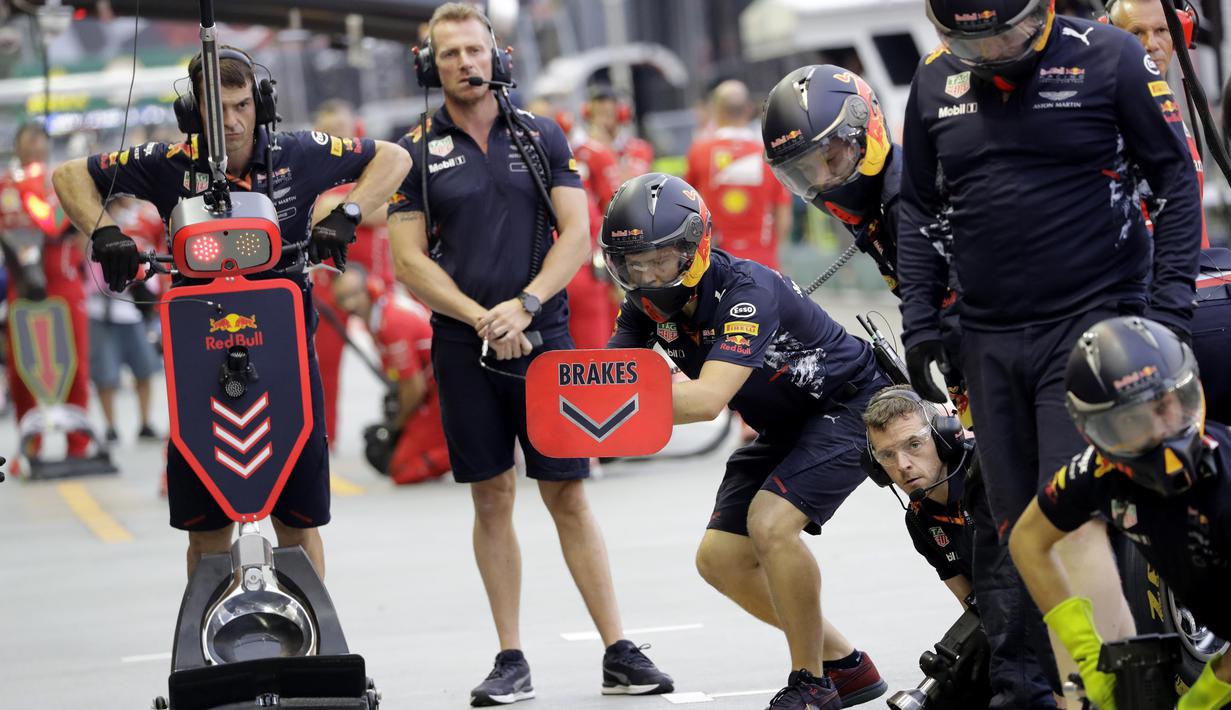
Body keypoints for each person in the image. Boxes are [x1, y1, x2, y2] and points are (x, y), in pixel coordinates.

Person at [899, 1, 1202, 705]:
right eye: (968, 39)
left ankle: (1126, 685)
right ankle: (1081, 688)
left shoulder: (1108, 57)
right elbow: (915, 205)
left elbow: (1175, 178)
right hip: (989, 334)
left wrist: (1168, 310)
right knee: (1020, 531)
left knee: (1069, 517)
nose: (991, 50)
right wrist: (920, 320)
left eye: (1003, 32)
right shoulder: (934, 81)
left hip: (1092, 321)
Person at [385, 4, 672, 704]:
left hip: (546, 340)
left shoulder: (541, 134)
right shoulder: (411, 150)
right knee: (492, 497)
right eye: (448, 53)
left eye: (473, 50)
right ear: (430, 64)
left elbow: (577, 234)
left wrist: (527, 305)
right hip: (464, 345)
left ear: (498, 56)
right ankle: (510, 658)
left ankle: (618, 650)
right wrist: (484, 317)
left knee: (568, 494)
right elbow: (407, 261)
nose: (463, 63)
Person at [52, 45, 410, 578]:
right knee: (207, 532)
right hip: (200, 367)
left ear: (259, 103)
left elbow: (395, 157)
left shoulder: (298, 152)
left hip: (287, 359)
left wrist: (348, 213)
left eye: (242, 105)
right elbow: (69, 176)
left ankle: (312, 640)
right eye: (217, 111)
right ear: (193, 113)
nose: (232, 122)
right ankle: (214, 643)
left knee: (298, 523)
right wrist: (105, 232)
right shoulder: (166, 164)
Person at [604, 172, 890, 709]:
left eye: (660, 259)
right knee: (720, 559)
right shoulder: (642, 305)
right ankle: (847, 666)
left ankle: (811, 683)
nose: (646, 275)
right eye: (632, 264)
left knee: (771, 523)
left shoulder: (746, 292)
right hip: (787, 423)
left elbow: (707, 400)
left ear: (694, 248)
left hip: (852, 405)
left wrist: (608, 402)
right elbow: (610, 377)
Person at [1010, 316, 1231, 710]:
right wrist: (1087, 653)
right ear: (1095, 432)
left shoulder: (1226, 488)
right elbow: (1028, 541)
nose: (1162, 432)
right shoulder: (1096, 473)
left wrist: (1206, 694)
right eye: (1132, 421)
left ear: (1190, 393)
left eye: (1167, 406)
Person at [0, 123, 93, 461]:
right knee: (22, 366)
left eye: (41, 141)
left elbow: (69, 223)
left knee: (76, 364)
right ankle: (30, 444)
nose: (36, 147)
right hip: (22, 284)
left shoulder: (63, 179)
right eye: (29, 142)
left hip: (64, 281)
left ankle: (78, 444)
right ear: (18, 147)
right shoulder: (6, 185)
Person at [310, 98, 396, 445]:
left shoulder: (375, 161)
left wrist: (339, 208)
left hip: (376, 282)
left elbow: (391, 211)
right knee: (323, 365)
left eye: (341, 130)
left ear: (355, 128)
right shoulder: (310, 169)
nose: (336, 137)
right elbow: (313, 217)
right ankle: (323, 438)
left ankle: (416, 425)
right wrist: (358, 207)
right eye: (328, 132)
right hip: (328, 284)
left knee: (399, 352)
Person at [331, 267, 449, 484]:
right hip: (433, 393)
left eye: (354, 295)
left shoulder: (392, 323)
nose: (349, 305)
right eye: (342, 299)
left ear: (370, 287)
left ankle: (471, 449)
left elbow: (414, 388)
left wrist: (395, 425)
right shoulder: (380, 314)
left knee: (403, 470)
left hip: (442, 395)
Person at [1105, 0, 1208, 247]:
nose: (1151, 45)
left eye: (1161, 30)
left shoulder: (1165, 101)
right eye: (1136, 33)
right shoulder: (1110, 116)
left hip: (1196, 274)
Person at [686, 79, 791, 270]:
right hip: (763, 261)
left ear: (716, 110)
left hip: (715, 261)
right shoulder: (768, 154)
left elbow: (687, 206)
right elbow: (783, 215)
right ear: (749, 109)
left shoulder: (699, 151)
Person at [84, 196, 163, 443]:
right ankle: (110, 426)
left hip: (137, 307)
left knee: (145, 368)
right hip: (103, 308)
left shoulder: (148, 213)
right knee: (105, 374)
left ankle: (145, 423)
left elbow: (160, 246)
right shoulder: (94, 215)